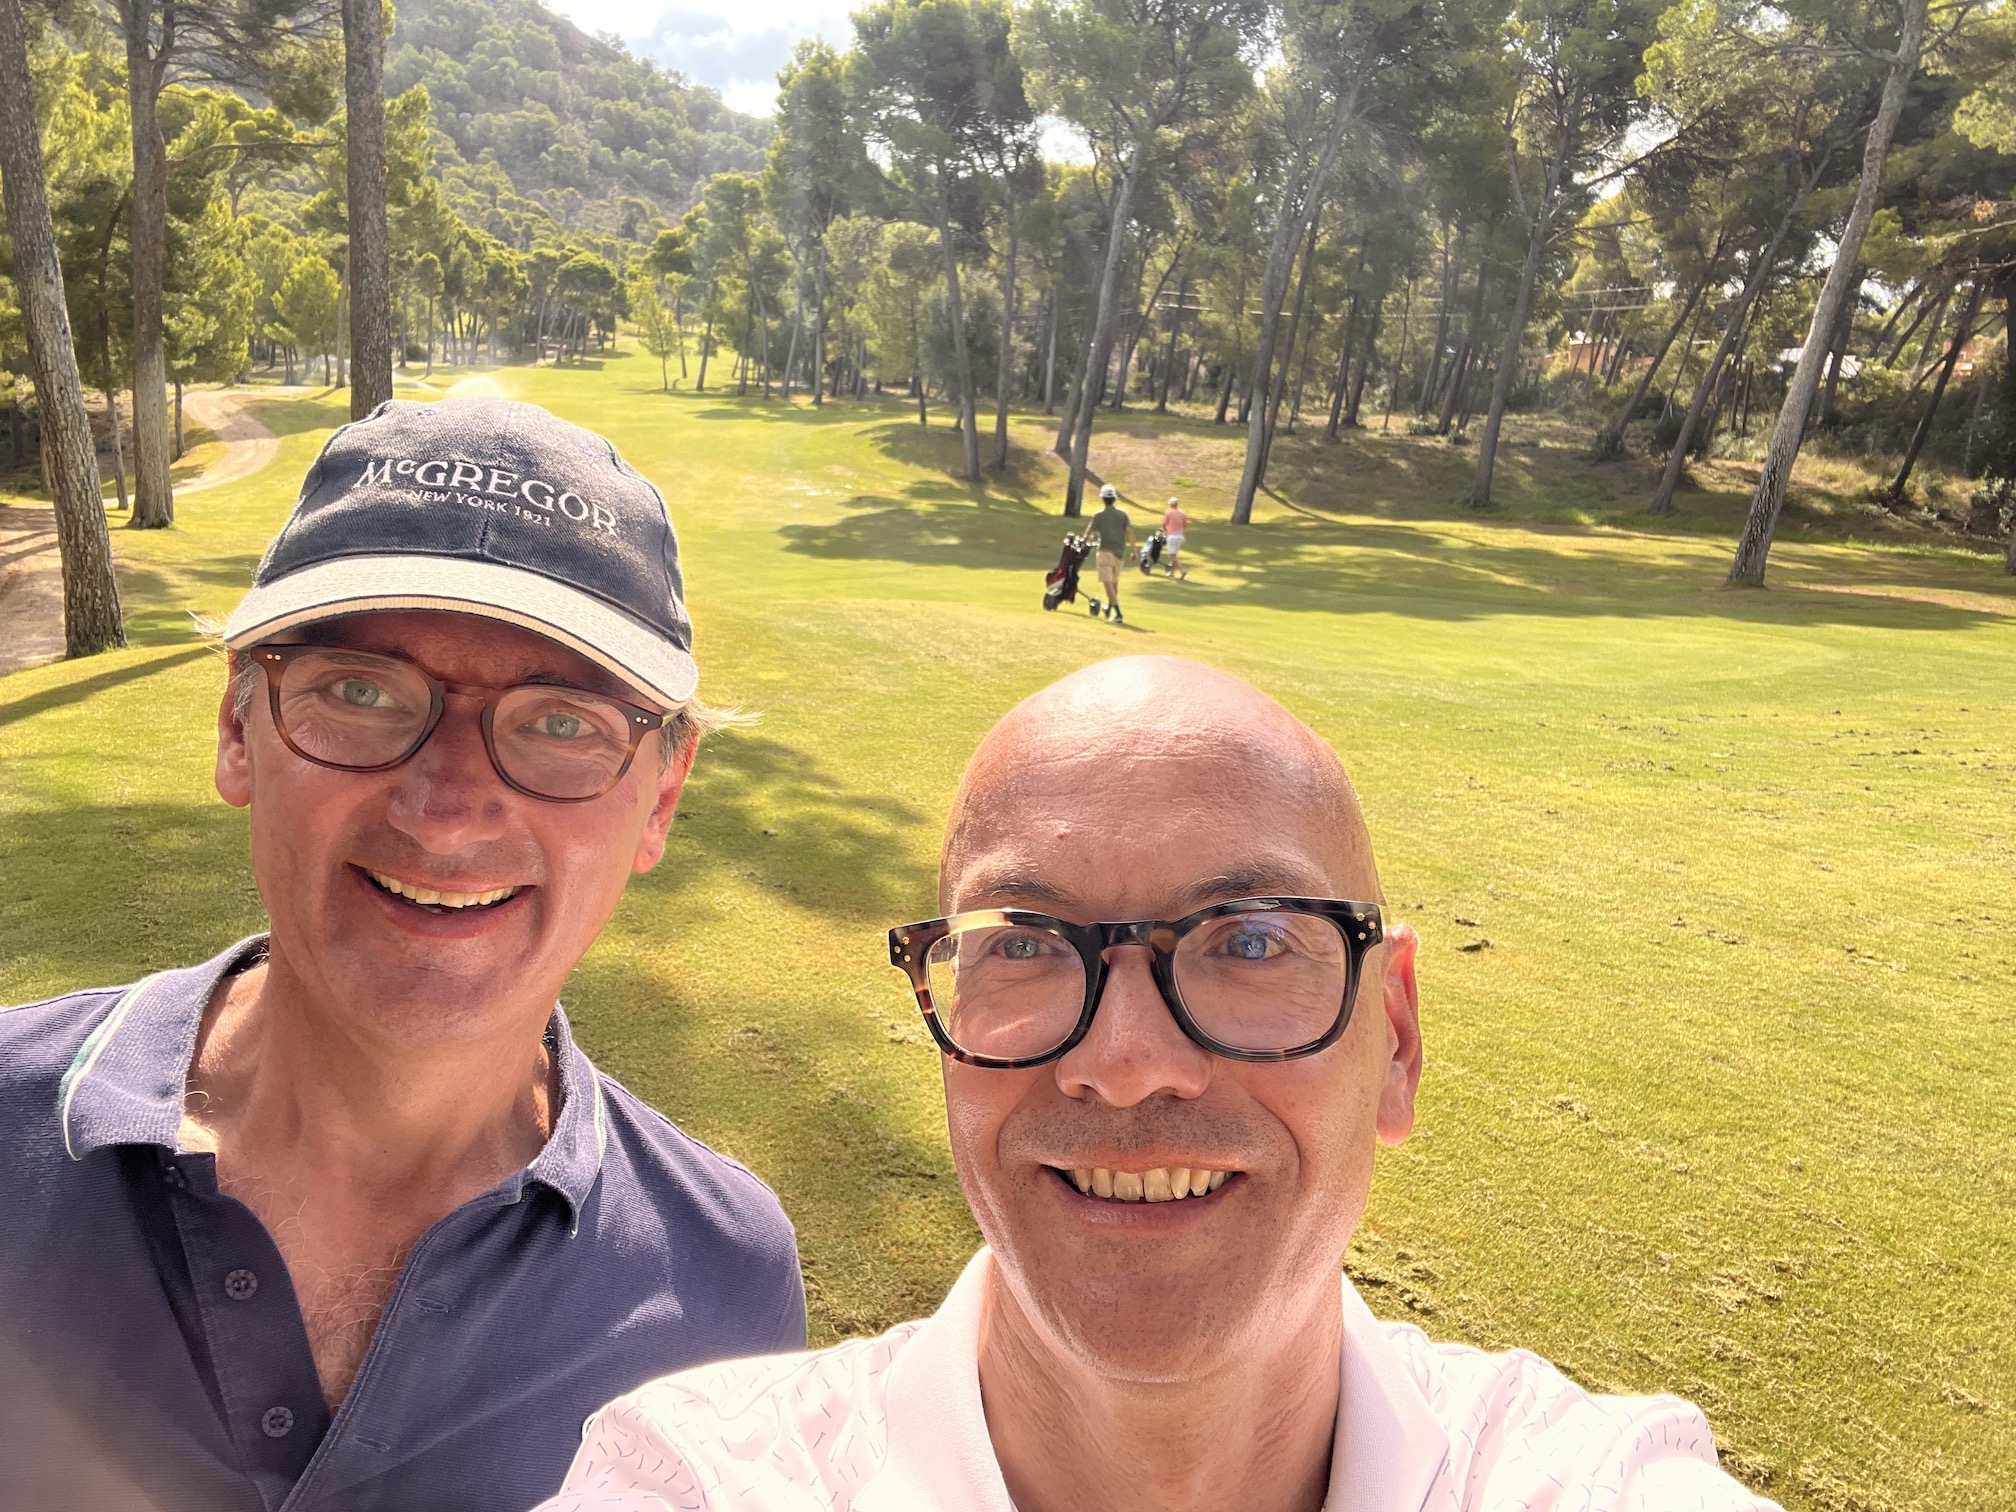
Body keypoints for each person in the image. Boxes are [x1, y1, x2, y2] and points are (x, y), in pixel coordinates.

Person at [538, 656, 1779, 1512]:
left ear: (1395, 1040)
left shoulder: (1582, 1481)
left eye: (1252, 941)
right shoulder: (702, 1480)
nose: (1125, 1066)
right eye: (1026, 942)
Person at [0, 398, 807, 1512]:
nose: (445, 810)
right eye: (362, 692)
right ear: (237, 727)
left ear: (661, 796)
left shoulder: (724, 1283)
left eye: (563, 722)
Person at [1087, 484, 1132, 623]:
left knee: (1108, 584)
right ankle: (1108, 609)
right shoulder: (1123, 515)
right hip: (1120, 553)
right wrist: (1134, 550)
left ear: (1103, 499)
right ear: (1114, 499)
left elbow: (1089, 532)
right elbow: (1129, 532)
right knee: (1114, 583)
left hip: (1105, 552)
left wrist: (1084, 541)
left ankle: (1118, 614)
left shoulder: (1098, 516)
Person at [1160, 495, 1189, 578]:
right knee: (1174, 555)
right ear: (1177, 504)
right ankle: (1171, 573)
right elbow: (1185, 525)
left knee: (1172, 556)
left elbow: (1164, 524)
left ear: (1170, 505)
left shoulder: (1168, 512)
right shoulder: (1182, 513)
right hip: (1180, 537)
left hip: (1172, 536)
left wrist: (1165, 531)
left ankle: (1182, 570)